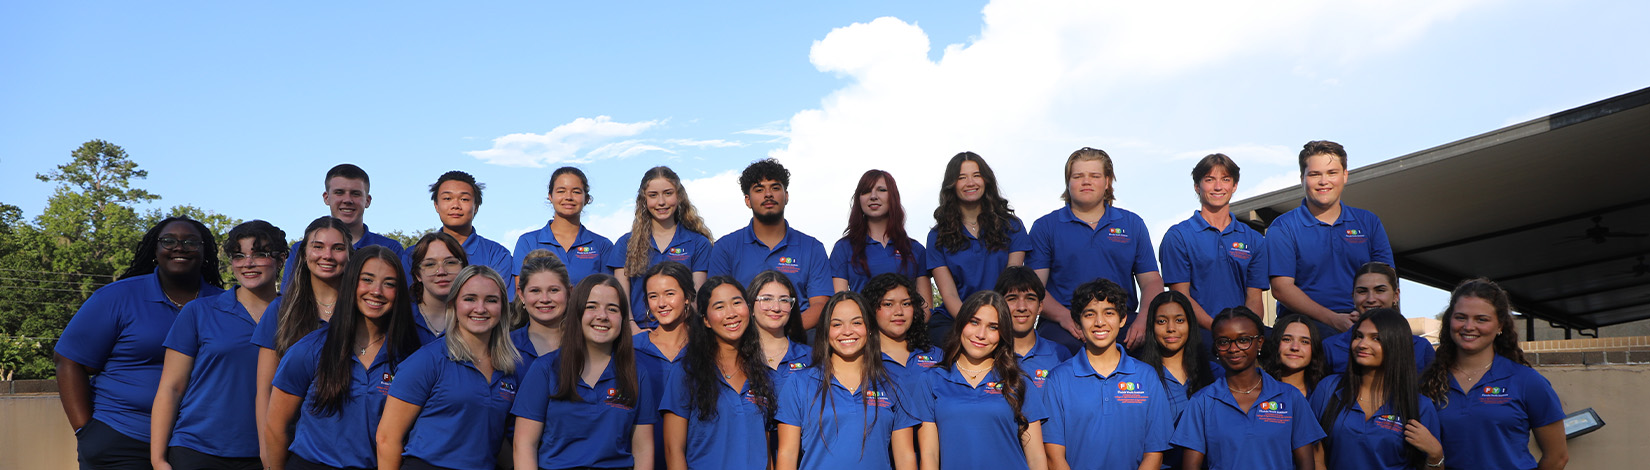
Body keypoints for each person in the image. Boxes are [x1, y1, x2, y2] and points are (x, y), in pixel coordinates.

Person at [54, 217, 224, 470]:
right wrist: (85, 430)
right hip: (123, 437)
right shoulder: (116, 297)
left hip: (199, 443)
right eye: (168, 241)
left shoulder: (224, 304)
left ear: (205, 251)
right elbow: (68, 360)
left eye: (190, 242)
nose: (179, 247)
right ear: (155, 250)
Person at [265, 246, 424, 470]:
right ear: (350, 283)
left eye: (389, 284)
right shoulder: (309, 349)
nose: (377, 291)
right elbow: (275, 427)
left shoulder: (409, 356)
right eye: (367, 279)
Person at [150, 221, 285, 470]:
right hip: (197, 450)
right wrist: (158, 459)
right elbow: (171, 388)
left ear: (281, 259)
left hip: (271, 454)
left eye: (260, 255)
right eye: (239, 256)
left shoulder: (297, 316)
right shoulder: (199, 311)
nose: (248, 263)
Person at [376, 265, 523, 470]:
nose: (480, 308)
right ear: (454, 304)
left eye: (491, 300)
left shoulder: (508, 369)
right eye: (470, 299)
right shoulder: (427, 361)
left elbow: (494, 437)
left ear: (502, 308)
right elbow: (387, 438)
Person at [512, 274, 662, 470]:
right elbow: (524, 445)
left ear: (623, 318)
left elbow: (642, 449)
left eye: (612, 309)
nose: (602, 316)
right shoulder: (545, 369)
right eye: (591, 306)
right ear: (577, 312)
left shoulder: (636, 373)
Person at [1419, 278, 1568, 470]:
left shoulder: (1527, 381)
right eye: (1461, 317)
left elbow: (1557, 457)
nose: (1469, 326)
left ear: (1500, 326)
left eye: (1481, 319)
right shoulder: (1428, 382)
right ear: (1449, 321)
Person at [1029, 147, 1164, 352]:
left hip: (1120, 321)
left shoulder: (1132, 224)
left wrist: (1144, 319)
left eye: (1094, 175)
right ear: (1068, 181)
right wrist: (1064, 317)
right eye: (1078, 176)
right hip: (1064, 323)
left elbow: (1151, 281)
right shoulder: (1046, 226)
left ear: (1107, 182)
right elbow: (1034, 288)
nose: (1086, 181)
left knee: (1154, 347)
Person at [775, 291, 919, 470]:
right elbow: (787, 455)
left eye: (857, 322)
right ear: (826, 331)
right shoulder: (799, 383)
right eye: (837, 324)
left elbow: (905, 457)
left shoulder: (892, 384)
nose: (847, 331)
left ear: (870, 328)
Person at [251, 216, 353, 468]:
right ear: (304, 253)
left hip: (351, 450)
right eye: (318, 246)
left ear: (351, 255)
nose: (326, 255)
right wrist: (268, 452)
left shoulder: (362, 311)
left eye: (337, 248)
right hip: (297, 451)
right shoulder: (280, 310)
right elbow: (265, 390)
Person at [1264, 141, 1394, 335]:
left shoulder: (1368, 222)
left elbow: (1388, 280)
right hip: (1304, 328)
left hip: (1364, 323)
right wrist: (1334, 320)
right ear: (1302, 178)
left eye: (1332, 173)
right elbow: (1281, 289)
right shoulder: (1283, 227)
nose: (1324, 181)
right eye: (1315, 174)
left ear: (1345, 175)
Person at [1171, 307, 1325, 470]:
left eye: (1243, 340)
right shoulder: (1201, 402)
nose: (1234, 348)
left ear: (1259, 342)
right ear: (1215, 347)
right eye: (1223, 342)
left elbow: (1307, 464)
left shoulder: (1290, 397)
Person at [1043, 279, 1173, 470]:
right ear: (1078, 322)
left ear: (1122, 320)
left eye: (1109, 313)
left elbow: (1154, 453)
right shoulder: (1058, 379)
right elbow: (1053, 457)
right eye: (1089, 314)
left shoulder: (1146, 376)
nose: (1100, 322)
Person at [914, 291, 1048, 470]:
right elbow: (929, 455)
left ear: (1003, 334)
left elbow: (1037, 458)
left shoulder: (1018, 381)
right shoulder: (931, 380)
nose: (981, 334)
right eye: (974, 322)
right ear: (961, 323)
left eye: (993, 327)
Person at [660, 276, 778, 470]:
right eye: (719, 307)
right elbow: (673, 449)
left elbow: (764, 448)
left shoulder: (762, 374)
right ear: (706, 320)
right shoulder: (686, 372)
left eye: (737, 303)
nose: (731, 313)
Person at [1309, 308, 1443, 470]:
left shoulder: (1420, 406)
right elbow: (1315, 455)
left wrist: (1436, 455)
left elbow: (1429, 463)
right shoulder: (1329, 389)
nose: (1362, 344)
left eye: (1376, 338)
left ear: (1397, 345)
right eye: (1358, 336)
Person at [708, 158, 832, 328]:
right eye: (759, 189)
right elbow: (718, 303)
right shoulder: (725, 248)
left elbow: (820, 305)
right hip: (742, 342)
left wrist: (783, 333)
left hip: (798, 341)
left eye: (775, 188)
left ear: (786, 196)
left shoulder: (812, 248)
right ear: (747, 200)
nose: (768, 194)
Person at [1158, 153, 1267, 344]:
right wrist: (1219, 329)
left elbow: (1254, 298)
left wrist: (1243, 332)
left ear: (1234, 186)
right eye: (1210, 180)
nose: (1218, 187)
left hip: (1241, 337)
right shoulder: (1178, 236)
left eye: (1225, 179)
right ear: (1197, 186)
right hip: (1197, 337)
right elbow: (1180, 296)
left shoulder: (1254, 239)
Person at [927, 151, 1031, 342]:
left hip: (1002, 315)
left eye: (976, 175)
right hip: (956, 318)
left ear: (986, 180)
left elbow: (1011, 285)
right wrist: (972, 326)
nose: (970, 183)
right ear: (952, 185)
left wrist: (992, 324)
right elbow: (949, 294)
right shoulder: (937, 236)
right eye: (962, 177)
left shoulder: (1012, 226)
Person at [608, 166, 715, 329]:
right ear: (644, 200)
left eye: (668, 193)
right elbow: (620, 296)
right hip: (638, 333)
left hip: (684, 332)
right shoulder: (625, 244)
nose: (661, 202)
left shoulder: (698, 243)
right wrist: (633, 329)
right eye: (653, 195)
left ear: (679, 196)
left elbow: (696, 298)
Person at [1128, 290, 1214, 469]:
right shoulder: (1137, 376)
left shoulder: (1215, 373)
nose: (1171, 328)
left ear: (1191, 323)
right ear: (1151, 326)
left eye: (1179, 320)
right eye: (1161, 321)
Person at [281, 164, 405, 286]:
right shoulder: (301, 250)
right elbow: (288, 300)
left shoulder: (390, 249)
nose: (347, 200)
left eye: (355, 194)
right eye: (339, 192)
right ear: (326, 198)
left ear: (367, 200)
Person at [632, 261, 697, 470]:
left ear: (687, 296)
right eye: (653, 296)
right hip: (643, 457)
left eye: (669, 294)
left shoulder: (707, 348)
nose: (661, 303)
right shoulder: (632, 349)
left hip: (697, 455)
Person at [414, 170, 516, 300]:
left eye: (464, 199)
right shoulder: (415, 254)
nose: (455, 205)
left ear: (476, 206)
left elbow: (502, 304)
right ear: (436, 205)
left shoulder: (497, 255)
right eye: (447, 198)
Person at [1320, 262, 1435, 374]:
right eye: (1362, 291)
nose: (1371, 299)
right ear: (1353, 297)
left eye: (1380, 290)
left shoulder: (1421, 347)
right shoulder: (1330, 347)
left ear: (1396, 295)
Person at [515, 166, 615, 287]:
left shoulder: (602, 246)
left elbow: (608, 292)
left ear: (586, 198)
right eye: (561, 191)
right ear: (550, 196)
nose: (568, 197)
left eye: (576, 192)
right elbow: (522, 293)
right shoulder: (528, 242)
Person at [831, 170, 929, 293]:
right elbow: (839, 303)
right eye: (866, 191)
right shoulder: (843, 248)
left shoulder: (916, 249)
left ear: (893, 196)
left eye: (881, 190)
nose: (873, 196)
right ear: (858, 199)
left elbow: (925, 307)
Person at [993, 266, 1074, 385]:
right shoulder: (988, 353)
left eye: (1030, 299)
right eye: (1012, 299)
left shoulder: (1060, 355)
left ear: (1040, 306)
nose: (1021, 307)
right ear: (999, 305)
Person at [866, 273, 939, 384]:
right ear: (872, 308)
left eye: (906, 304)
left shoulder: (935, 354)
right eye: (888, 304)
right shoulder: (861, 359)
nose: (899, 312)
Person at [748, 270, 812, 377]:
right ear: (751, 306)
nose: (776, 308)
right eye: (767, 299)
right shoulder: (737, 357)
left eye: (784, 300)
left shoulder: (811, 357)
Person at [511, 249, 570, 360]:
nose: (545, 299)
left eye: (554, 290)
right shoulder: (505, 346)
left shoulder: (586, 343)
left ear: (569, 292)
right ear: (521, 294)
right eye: (535, 291)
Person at [408, 232, 468, 339]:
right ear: (418, 274)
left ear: (463, 268)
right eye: (430, 264)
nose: (441, 271)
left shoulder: (476, 316)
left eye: (450, 263)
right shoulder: (400, 317)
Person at [1262, 314, 1328, 399]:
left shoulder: (1325, 392)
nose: (1295, 347)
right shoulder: (1258, 388)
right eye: (1287, 339)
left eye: (1304, 342)